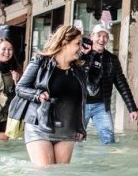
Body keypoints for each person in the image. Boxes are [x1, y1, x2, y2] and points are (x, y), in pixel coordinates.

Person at [15, 26, 88, 166]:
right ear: (64, 43)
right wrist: (37, 94)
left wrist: (80, 127)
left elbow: (80, 101)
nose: (81, 48)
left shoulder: (79, 70)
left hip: (67, 128)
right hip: (39, 126)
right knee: (44, 173)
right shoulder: (40, 61)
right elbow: (20, 88)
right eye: (78, 43)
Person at [83, 24, 138, 144]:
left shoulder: (112, 59)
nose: (102, 39)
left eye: (105, 36)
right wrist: (87, 53)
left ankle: (104, 162)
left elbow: (121, 83)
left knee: (108, 139)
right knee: (75, 139)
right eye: (99, 35)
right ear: (91, 36)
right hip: (80, 104)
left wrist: (132, 108)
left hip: (101, 105)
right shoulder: (81, 54)